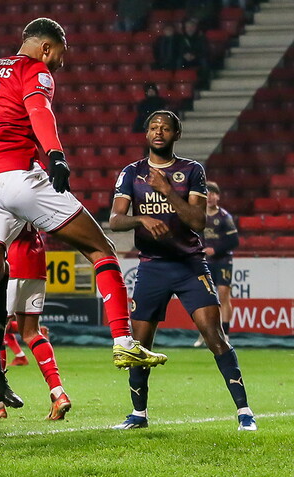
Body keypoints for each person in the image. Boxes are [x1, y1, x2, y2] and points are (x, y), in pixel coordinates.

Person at [0, 18, 167, 402]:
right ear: (45, 47)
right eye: (60, 53)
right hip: (17, 175)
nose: (60, 62)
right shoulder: (33, 69)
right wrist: (55, 154)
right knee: (101, 248)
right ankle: (124, 340)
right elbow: (39, 110)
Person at [109, 111, 256, 431]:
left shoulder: (191, 170)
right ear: (146, 133)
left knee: (215, 337)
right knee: (139, 347)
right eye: (153, 127)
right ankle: (138, 414)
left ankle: (245, 412)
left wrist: (167, 191)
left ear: (177, 134)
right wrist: (141, 219)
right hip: (151, 267)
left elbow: (198, 221)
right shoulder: (131, 172)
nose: (158, 132)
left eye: (165, 128)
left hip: (189, 265)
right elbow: (115, 220)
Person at [0, 224, 70, 421]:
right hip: (36, 262)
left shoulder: (1, 201)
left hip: (10, 263)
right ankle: (58, 393)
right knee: (32, 332)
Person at [198, 181, 239, 347]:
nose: (209, 197)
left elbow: (234, 241)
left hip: (223, 261)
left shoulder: (224, 217)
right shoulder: (199, 216)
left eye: (213, 193)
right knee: (204, 298)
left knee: (223, 294)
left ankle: (226, 333)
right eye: (207, 193)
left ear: (218, 197)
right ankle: (205, 333)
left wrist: (215, 250)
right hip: (204, 262)